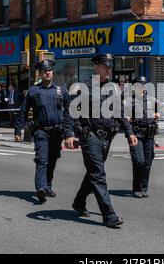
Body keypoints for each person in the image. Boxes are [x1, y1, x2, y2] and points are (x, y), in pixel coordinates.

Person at [70, 53, 138, 228]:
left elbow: (120, 112)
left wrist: (129, 132)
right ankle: (109, 215)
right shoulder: (83, 87)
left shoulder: (113, 88)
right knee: (98, 175)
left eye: (110, 67)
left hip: (107, 138)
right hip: (90, 137)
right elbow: (71, 113)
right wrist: (72, 133)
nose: (109, 70)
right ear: (96, 67)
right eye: (105, 66)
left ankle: (79, 202)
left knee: (93, 174)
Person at [14, 59, 75, 202]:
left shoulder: (61, 90)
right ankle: (40, 188)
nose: (47, 72)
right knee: (42, 160)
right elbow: (23, 111)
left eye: (49, 70)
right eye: (44, 71)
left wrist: (68, 133)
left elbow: (69, 111)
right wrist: (18, 130)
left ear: (52, 72)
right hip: (41, 131)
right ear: (40, 74)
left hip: (57, 132)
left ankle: (47, 186)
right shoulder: (34, 90)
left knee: (52, 160)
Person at [128, 76, 161, 198]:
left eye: (143, 85)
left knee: (147, 162)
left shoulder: (152, 100)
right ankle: (136, 188)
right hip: (136, 134)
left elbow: (162, 111)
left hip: (149, 134)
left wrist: (158, 114)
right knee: (139, 161)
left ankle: (144, 187)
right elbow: (124, 118)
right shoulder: (129, 101)